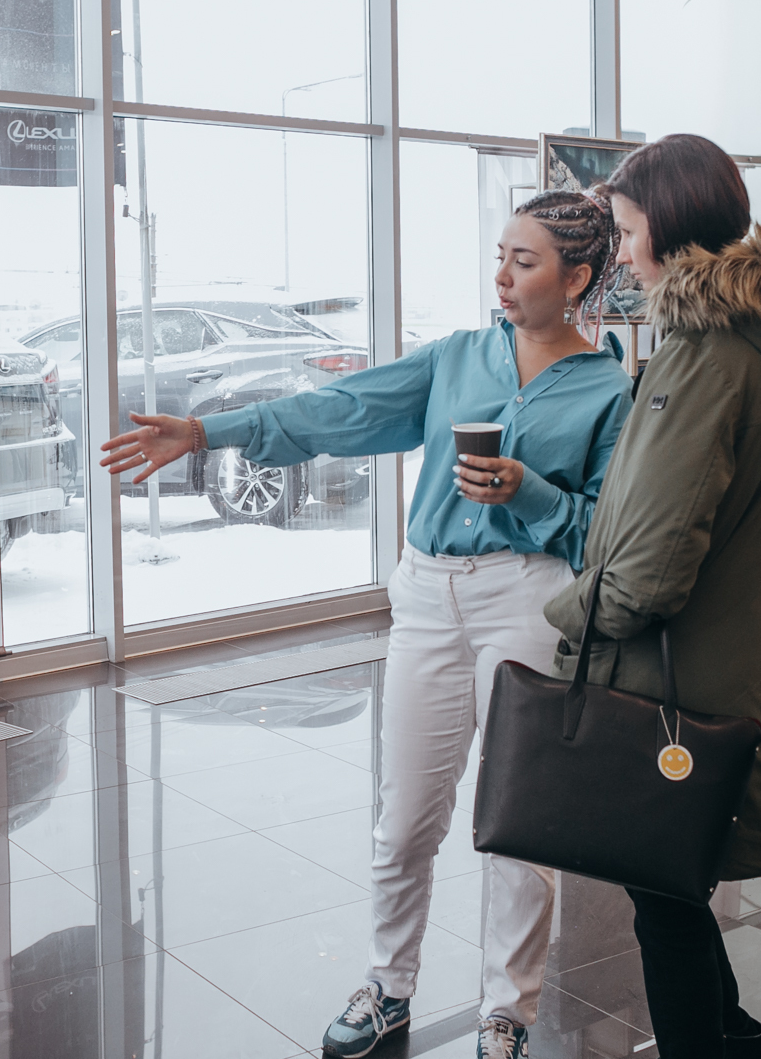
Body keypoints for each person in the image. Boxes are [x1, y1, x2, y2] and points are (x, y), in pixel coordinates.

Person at [100, 191, 633, 1059]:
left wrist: (527, 491)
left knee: (519, 824)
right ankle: (388, 989)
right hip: (427, 595)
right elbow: (340, 410)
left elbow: (604, 529)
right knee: (404, 817)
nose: (502, 277)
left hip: (528, 598)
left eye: (525, 261)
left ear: (575, 279)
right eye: (500, 256)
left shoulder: (609, 390)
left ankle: (508, 1014)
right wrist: (204, 430)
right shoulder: (458, 357)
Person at [542, 134, 761, 1059]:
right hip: (722, 657)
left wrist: (575, 617)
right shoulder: (757, 341)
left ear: (670, 229)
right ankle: (733, 1035)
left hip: (671, 673)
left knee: (664, 900)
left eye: (630, 231)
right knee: (673, 889)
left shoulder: (705, 356)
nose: (624, 253)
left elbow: (656, 561)